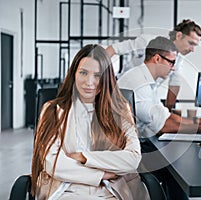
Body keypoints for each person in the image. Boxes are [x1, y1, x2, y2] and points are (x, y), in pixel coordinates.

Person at [31, 44, 150, 200]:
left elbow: (133, 159)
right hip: (65, 189)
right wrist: (101, 174)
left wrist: (83, 157)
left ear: (106, 78)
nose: (89, 82)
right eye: (83, 73)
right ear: (74, 74)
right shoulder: (52, 109)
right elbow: (53, 162)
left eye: (97, 75)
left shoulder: (121, 110)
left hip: (110, 190)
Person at [117, 36, 201, 138]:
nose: (172, 69)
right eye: (171, 62)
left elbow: (165, 116)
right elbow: (162, 126)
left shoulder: (145, 78)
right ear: (157, 59)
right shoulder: (139, 83)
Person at [106, 19, 201, 111]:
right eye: (191, 43)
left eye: (195, 46)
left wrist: (168, 111)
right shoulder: (149, 41)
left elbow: (174, 85)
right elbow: (114, 49)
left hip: (145, 95)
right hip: (122, 91)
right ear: (179, 36)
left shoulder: (179, 58)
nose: (192, 49)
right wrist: (100, 77)